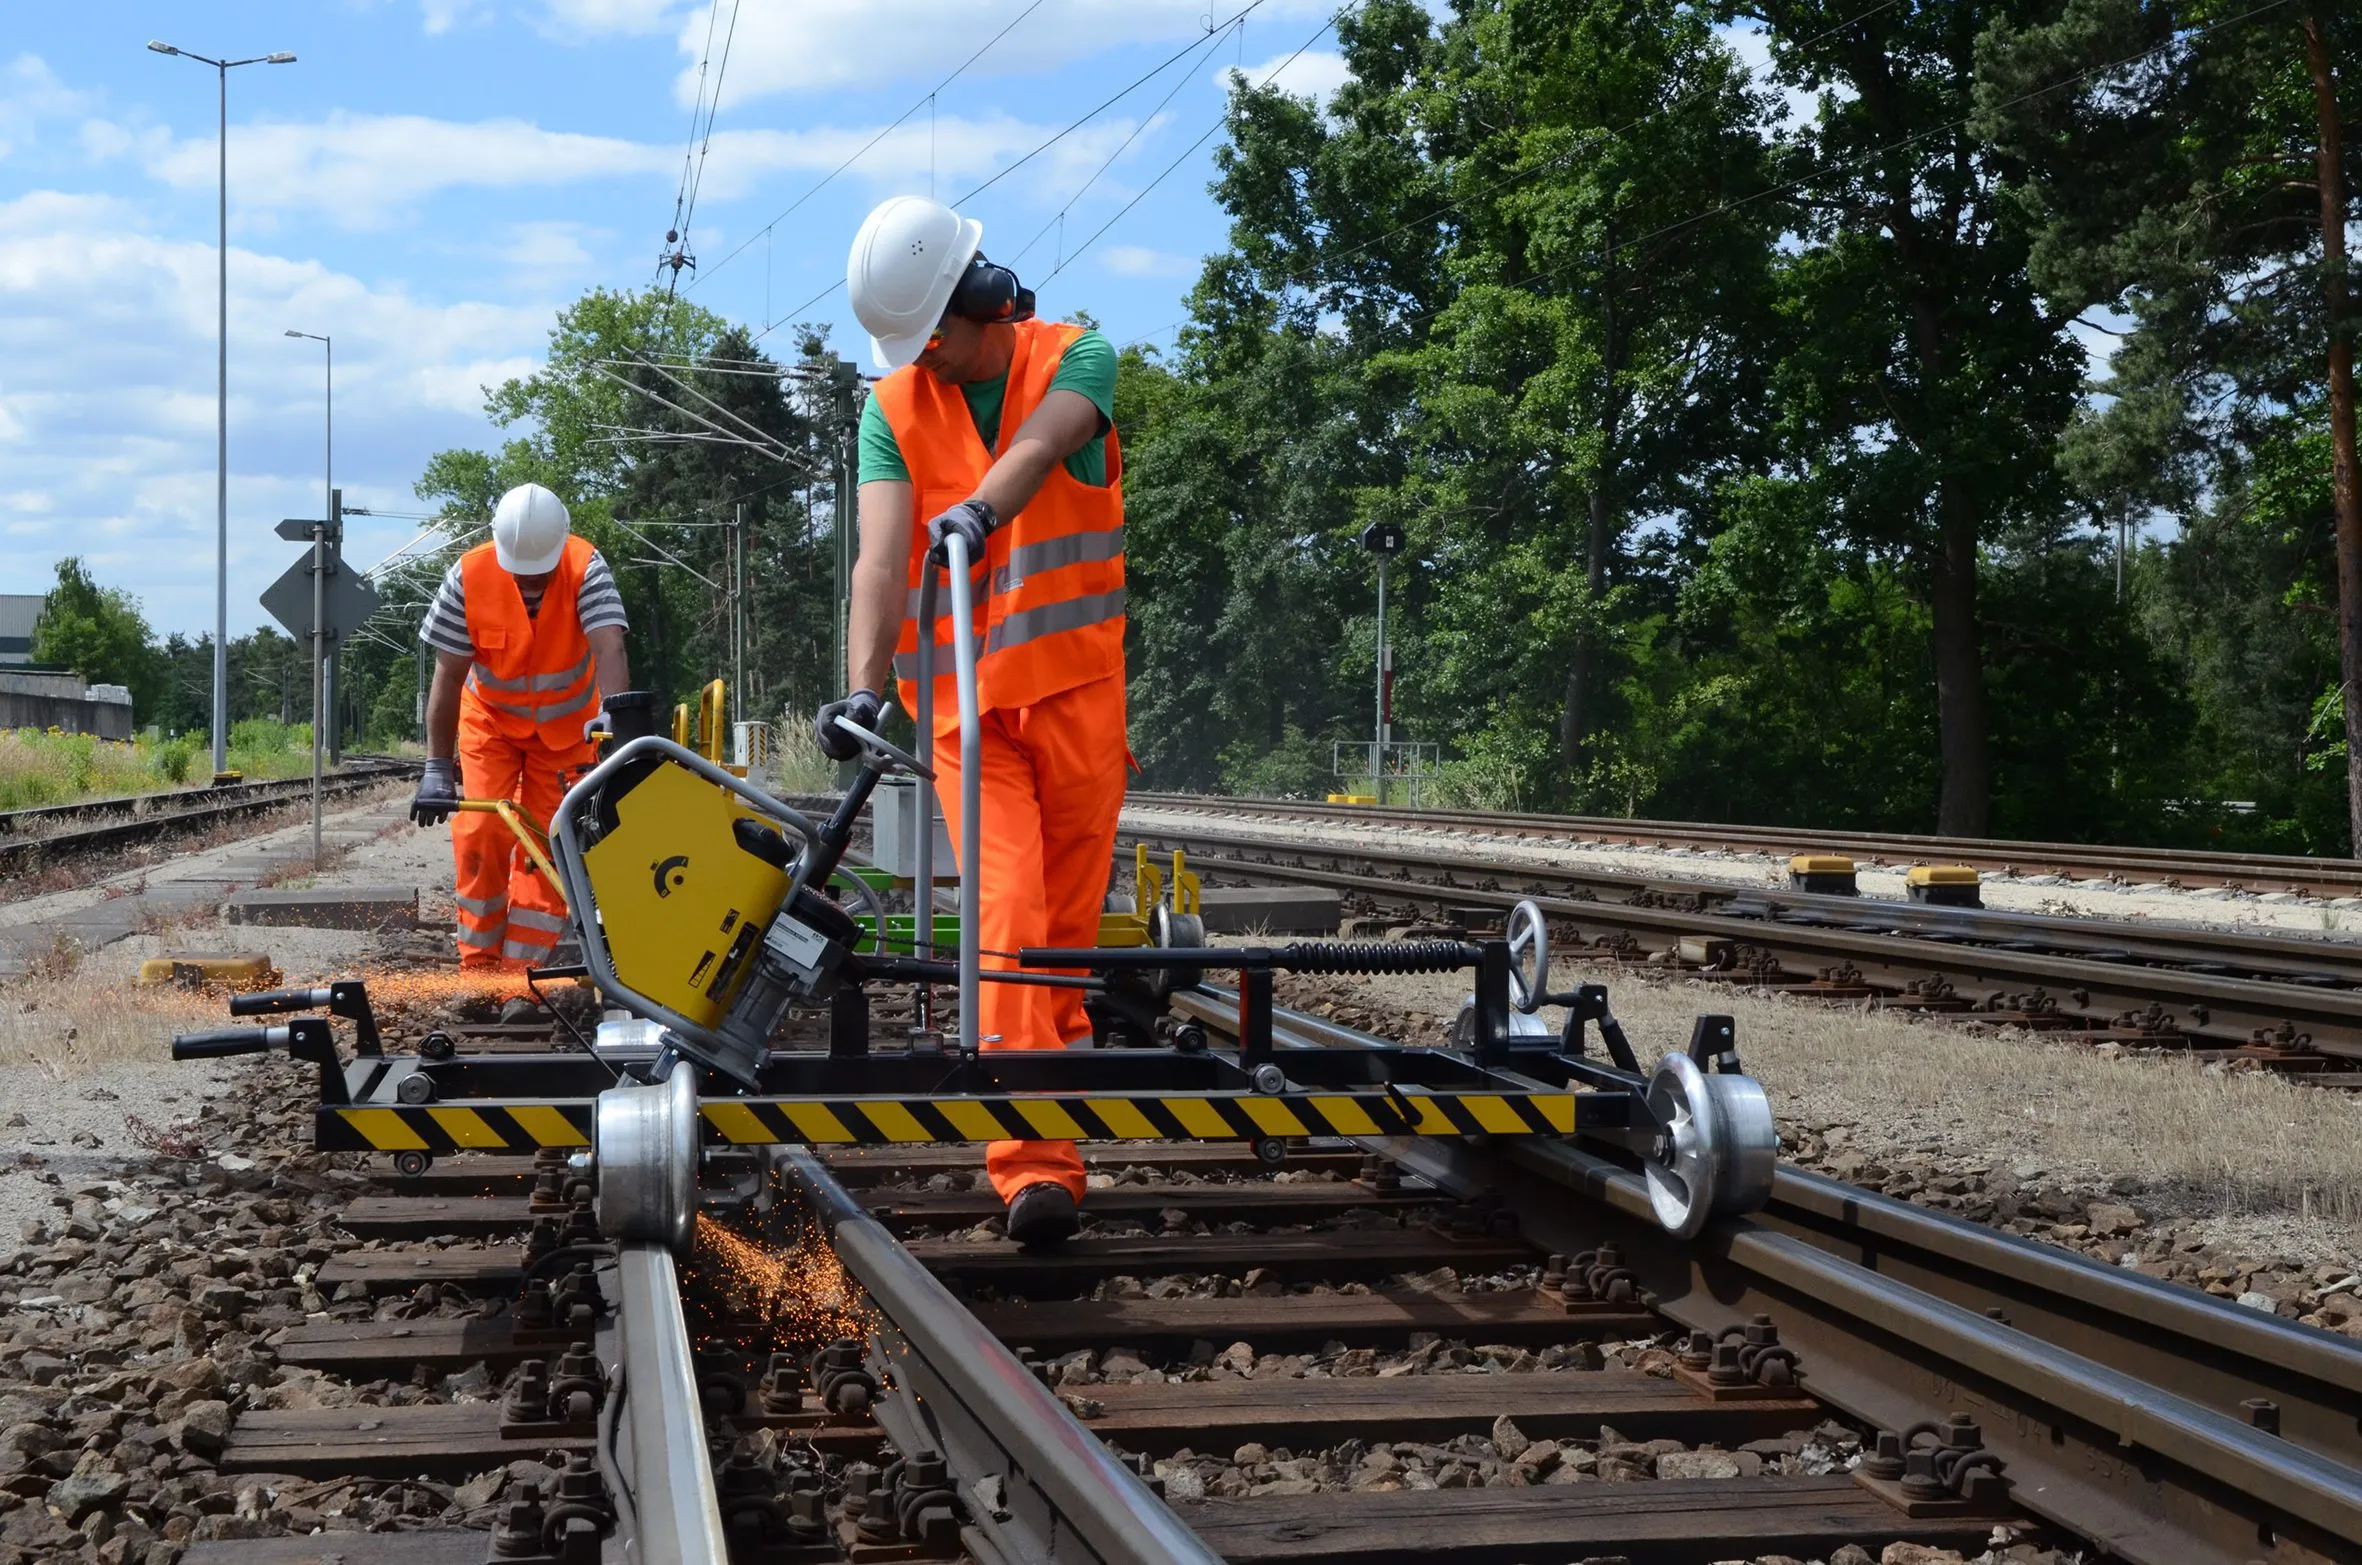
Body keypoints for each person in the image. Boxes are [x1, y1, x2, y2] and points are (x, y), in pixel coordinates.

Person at [819, 194, 1126, 1247]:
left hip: (1080, 696)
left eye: (935, 336)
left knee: (1066, 945)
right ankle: (1034, 1165)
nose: (925, 359)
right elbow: (879, 557)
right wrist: (864, 684)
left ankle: (1049, 1085)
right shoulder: (891, 407)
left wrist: (984, 506)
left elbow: (1047, 444)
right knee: (1008, 918)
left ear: (985, 300)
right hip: (964, 715)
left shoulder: (1077, 358)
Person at [410, 483, 631, 974]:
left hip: (570, 732)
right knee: (482, 833)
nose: (531, 584)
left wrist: (614, 716)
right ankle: (479, 968)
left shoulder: (585, 566)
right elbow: (447, 675)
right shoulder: (467, 576)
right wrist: (435, 766)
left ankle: (522, 977)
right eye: (521, 575)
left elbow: (610, 646)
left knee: (549, 847)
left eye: (541, 575)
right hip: (490, 726)